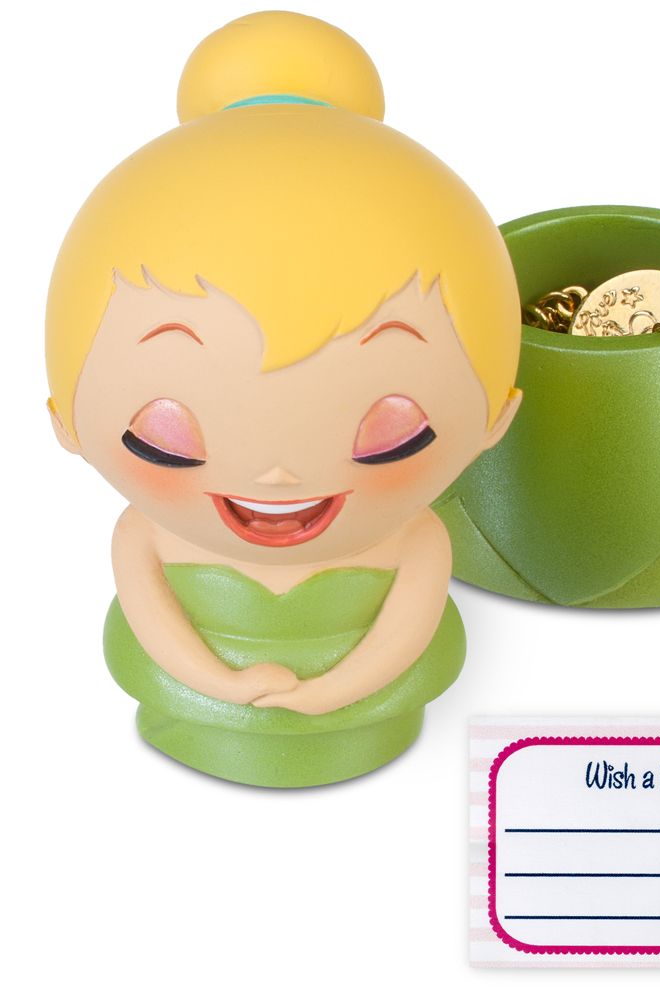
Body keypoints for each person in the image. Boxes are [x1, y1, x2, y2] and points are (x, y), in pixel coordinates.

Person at [45, 11, 522, 786]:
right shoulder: (144, 535)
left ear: (497, 417)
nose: (276, 478)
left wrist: (332, 691)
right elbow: (156, 628)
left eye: (389, 433)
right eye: (167, 437)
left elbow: (402, 638)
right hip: (185, 715)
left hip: (375, 720)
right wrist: (219, 684)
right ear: (64, 422)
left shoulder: (416, 540)